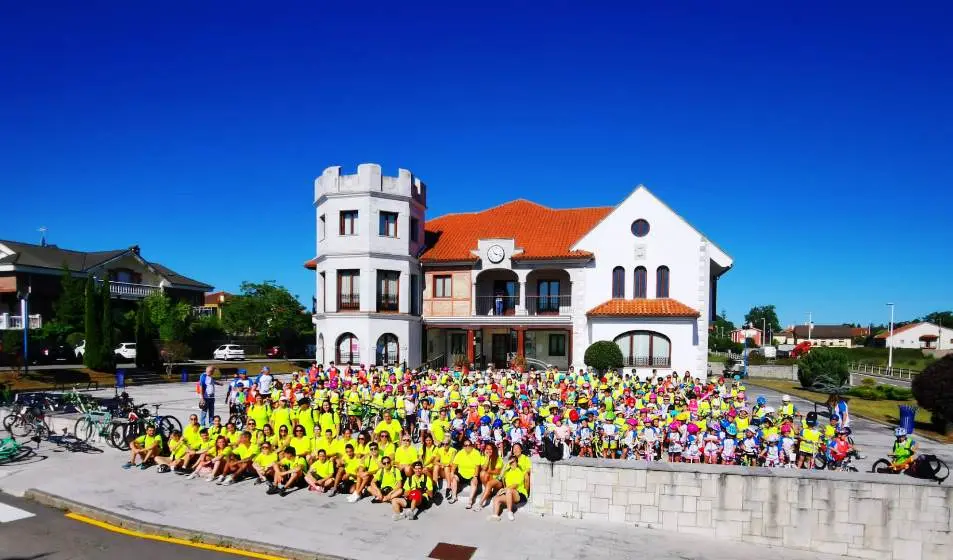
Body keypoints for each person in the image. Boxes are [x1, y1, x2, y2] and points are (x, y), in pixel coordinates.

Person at [487, 453, 528, 522]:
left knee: (509, 490)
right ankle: (495, 515)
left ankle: (509, 512)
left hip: (520, 494)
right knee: (497, 498)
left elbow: (515, 485)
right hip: (509, 494)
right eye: (511, 462)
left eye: (513, 461)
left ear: (517, 462)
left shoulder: (520, 471)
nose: (512, 463)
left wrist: (503, 489)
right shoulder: (508, 472)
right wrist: (507, 463)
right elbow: (500, 475)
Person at [448, 439, 481, 504]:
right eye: (465, 445)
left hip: (472, 474)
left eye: (469, 445)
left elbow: (477, 467)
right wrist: (452, 472)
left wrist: (475, 476)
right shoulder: (460, 453)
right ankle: (454, 496)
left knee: (474, 482)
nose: (467, 447)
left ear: (472, 446)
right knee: (453, 477)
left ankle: (470, 500)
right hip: (461, 474)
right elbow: (454, 465)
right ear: (463, 446)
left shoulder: (476, 453)